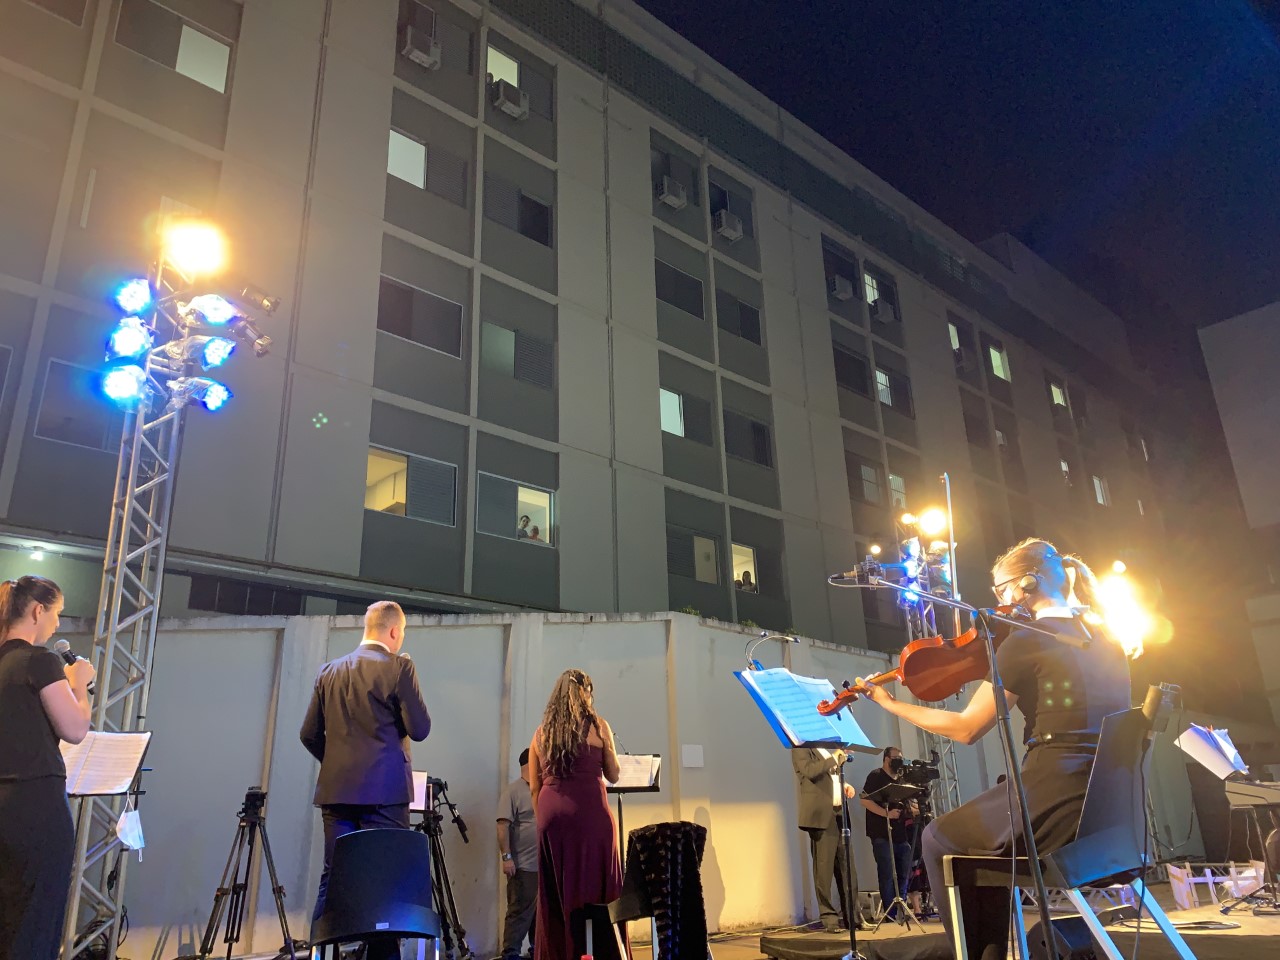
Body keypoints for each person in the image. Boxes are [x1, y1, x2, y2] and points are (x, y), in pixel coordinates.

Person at [852, 538, 1131, 960]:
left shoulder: (1025, 643)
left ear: (1026, 585)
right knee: (978, 839)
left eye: (1001, 590)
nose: (999, 601)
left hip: (1053, 803)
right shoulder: (1110, 643)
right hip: (1109, 819)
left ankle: (976, 953)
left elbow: (966, 728)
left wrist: (890, 704)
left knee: (936, 838)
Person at [300, 600, 431, 958]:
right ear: (394, 632)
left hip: (336, 794)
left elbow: (308, 734)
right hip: (385, 795)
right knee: (386, 887)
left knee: (334, 876)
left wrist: (339, 763)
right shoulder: (398, 668)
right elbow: (420, 729)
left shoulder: (328, 671)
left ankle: (318, 954)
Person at [0, 575, 95, 960]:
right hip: (35, 808)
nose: (57, 623)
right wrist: (79, 686)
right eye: (56, 614)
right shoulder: (40, 662)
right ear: (38, 611)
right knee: (36, 922)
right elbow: (74, 729)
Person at [529, 669, 624, 960]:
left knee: (556, 894)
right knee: (596, 890)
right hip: (590, 815)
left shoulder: (542, 732)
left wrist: (547, 819)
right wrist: (607, 744)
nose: (591, 696)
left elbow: (535, 785)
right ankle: (599, 952)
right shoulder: (598, 726)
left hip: (550, 816)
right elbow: (614, 774)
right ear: (583, 693)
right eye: (590, 690)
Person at [792, 747, 862, 932]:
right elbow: (810, 771)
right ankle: (829, 919)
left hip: (839, 814)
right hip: (821, 817)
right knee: (823, 871)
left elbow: (829, 779)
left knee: (848, 869)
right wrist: (834, 758)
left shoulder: (826, 751)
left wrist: (843, 785)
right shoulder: (801, 748)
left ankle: (853, 918)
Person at [860, 747, 917, 921]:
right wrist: (886, 814)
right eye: (896, 758)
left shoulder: (901, 779)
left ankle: (901, 908)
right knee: (886, 873)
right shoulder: (876, 776)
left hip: (900, 833)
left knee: (904, 872)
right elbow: (864, 800)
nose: (899, 760)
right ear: (886, 759)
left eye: (901, 757)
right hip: (881, 833)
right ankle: (890, 914)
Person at [497, 748, 538, 960]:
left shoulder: (543, 789)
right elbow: (503, 825)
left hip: (544, 866)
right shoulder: (513, 791)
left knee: (540, 914)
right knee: (519, 911)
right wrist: (507, 858)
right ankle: (510, 952)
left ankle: (537, 950)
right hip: (523, 866)